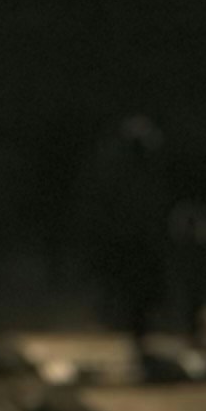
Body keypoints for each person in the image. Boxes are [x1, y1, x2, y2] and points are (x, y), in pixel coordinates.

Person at [74, 117, 173, 356]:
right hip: (128, 240)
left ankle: (139, 334)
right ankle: (134, 332)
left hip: (139, 240)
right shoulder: (119, 174)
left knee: (141, 294)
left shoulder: (147, 175)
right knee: (131, 292)